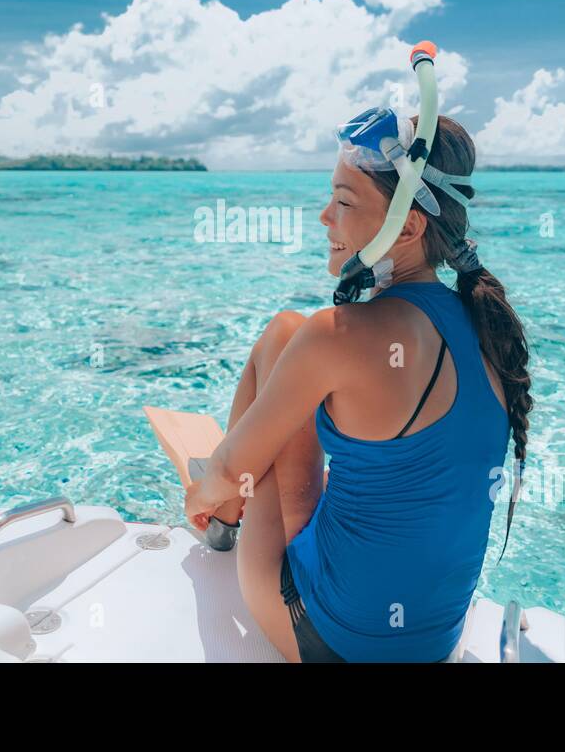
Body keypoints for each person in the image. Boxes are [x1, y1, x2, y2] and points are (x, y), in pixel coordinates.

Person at [185, 80, 533, 662]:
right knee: (289, 334)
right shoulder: (487, 326)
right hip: (432, 639)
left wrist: (204, 489)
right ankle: (229, 506)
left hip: (330, 639)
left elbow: (226, 471)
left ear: (409, 228)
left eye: (344, 202)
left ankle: (218, 524)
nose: (325, 217)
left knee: (281, 348)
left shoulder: (340, 337)